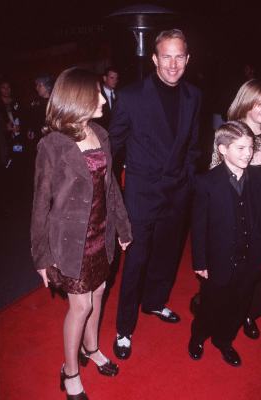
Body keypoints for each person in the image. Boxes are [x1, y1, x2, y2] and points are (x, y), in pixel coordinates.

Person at [31, 67, 132, 399]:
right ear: (78, 98)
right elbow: (40, 203)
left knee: (99, 293)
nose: (103, 98)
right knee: (80, 306)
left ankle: (91, 348)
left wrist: (122, 226)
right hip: (70, 241)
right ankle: (70, 371)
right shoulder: (53, 145)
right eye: (97, 93)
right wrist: (42, 257)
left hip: (101, 233)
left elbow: (112, 188)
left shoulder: (101, 134)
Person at [109, 29, 201, 359]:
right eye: (166, 56)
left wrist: (188, 179)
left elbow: (192, 145)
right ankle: (124, 328)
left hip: (177, 192)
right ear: (154, 59)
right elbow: (113, 146)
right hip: (142, 195)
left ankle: (155, 303)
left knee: (167, 255)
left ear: (187, 59)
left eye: (179, 56)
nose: (173, 64)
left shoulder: (193, 95)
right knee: (136, 260)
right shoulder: (132, 96)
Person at [189, 121, 261, 367]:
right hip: (218, 260)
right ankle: (199, 335)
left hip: (251, 258)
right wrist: (200, 261)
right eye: (240, 148)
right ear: (223, 149)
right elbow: (199, 227)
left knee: (239, 303)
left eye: (250, 147)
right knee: (211, 304)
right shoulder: (206, 182)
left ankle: (224, 340)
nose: (248, 153)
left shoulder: (260, 179)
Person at [214, 79, 261, 339]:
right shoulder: (230, 132)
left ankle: (250, 312)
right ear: (246, 103)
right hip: (236, 212)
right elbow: (214, 173)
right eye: (260, 103)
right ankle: (227, 308)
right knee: (236, 268)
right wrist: (247, 163)